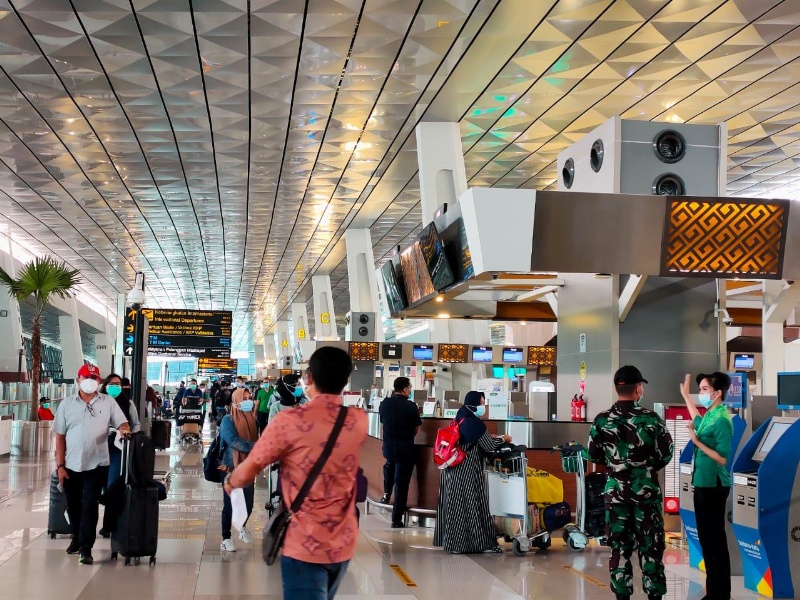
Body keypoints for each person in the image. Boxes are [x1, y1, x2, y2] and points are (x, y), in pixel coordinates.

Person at [225, 346, 367, 599]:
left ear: (309, 378)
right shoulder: (358, 420)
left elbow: (249, 471)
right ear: (346, 382)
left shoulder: (289, 421)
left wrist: (231, 480)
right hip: (343, 540)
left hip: (305, 541)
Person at [584, 365, 674, 600]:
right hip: (646, 493)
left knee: (619, 547)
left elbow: (593, 455)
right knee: (651, 547)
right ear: (638, 389)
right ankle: (654, 595)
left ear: (617, 389)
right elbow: (666, 453)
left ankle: (622, 595)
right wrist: (646, 467)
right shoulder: (651, 419)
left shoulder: (602, 420)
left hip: (615, 494)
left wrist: (615, 466)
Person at [53, 364, 130, 565]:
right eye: (86, 378)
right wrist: (60, 466)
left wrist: (123, 429)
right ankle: (77, 539)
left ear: (98, 382)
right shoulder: (66, 405)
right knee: (73, 506)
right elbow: (60, 436)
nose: (90, 382)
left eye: (94, 378)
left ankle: (86, 548)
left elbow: (122, 422)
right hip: (71, 464)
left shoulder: (108, 402)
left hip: (98, 463)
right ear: (78, 380)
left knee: (90, 505)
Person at [433, 391, 509, 554]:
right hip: (467, 470)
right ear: (473, 404)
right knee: (472, 505)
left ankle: (454, 544)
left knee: (455, 506)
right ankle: (479, 543)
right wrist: (503, 439)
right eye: (481, 403)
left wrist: (488, 437)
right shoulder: (475, 423)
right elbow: (489, 446)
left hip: (451, 469)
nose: (483, 406)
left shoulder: (459, 418)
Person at [680, 372, 734, 600]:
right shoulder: (710, 414)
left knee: (714, 540)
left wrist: (696, 441)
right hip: (702, 482)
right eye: (700, 389)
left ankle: (720, 592)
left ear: (717, 393)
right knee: (706, 539)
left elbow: (722, 458)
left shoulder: (722, 419)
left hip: (714, 485)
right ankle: (713, 589)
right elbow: (698, 419)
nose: (700, 393)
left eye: (703, 389)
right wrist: (685, 396)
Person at [98, 373, 141, 537]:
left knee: (112, 484)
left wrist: (128, 433)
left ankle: (108, 524)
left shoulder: (127, 403)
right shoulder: (98, 402)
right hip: (98, 447)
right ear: (105, 385)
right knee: (99, 484)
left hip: (118, 449)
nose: (115, 386)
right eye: (111, 383)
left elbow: (136, 424)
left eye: (117, 384)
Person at [218, 387, 259, 552]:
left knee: (248, 504)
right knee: (229, 505)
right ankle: (226, 538)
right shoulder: (227, 420)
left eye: (249, 398)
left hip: (248, 466)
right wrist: (256, 447)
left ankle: (241, 526)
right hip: (230, 467)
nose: (248, 401)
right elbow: (233, 441)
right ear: (235, 401)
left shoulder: (252, 419)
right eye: (244, 398)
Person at [378, 376, 421, 527]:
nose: (410, 390)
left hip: (389, 448)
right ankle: (396, 520)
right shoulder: (411, 406)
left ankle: (386, 493)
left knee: (389, 466)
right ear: (405, 389)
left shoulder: (384, 404)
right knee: (402, 485)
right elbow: (416, 428)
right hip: (405, 450)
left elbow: (383, 422)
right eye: (409, 387)